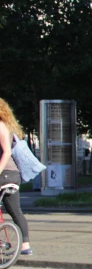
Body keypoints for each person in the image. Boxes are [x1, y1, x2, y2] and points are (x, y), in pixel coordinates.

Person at [0, 98, 33, 255]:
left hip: (5, 174)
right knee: (14, 210)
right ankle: (25, 246)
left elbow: (6, 151)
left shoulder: (0, 126)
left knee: (16, 211)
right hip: (10, 175)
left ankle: (25, 244)